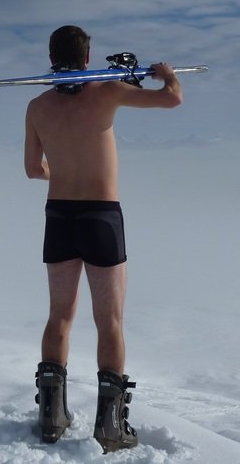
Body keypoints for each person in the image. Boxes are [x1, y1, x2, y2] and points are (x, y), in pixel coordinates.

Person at [24, 25, 183, 452]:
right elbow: (173, 99)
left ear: (51, 55)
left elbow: (32, 169)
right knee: (108, 320)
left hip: (58, 215)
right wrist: (168, 74)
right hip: (101, 216)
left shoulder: (37, 105)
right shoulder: (107, 92)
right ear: (88, 56)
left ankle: (51, 419)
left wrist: (64, 172)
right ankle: (110, 427)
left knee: (60, 315)